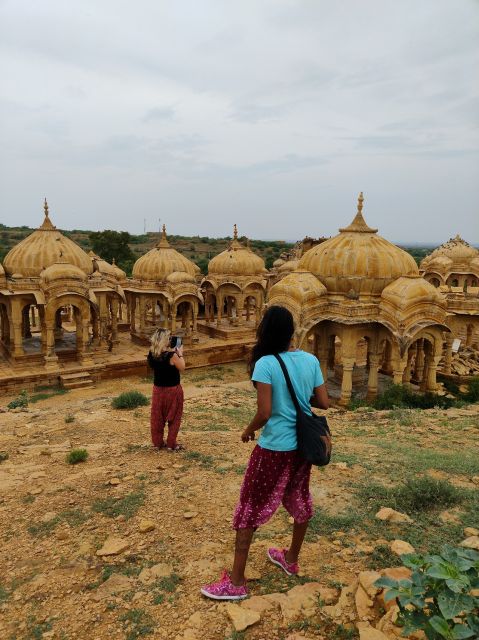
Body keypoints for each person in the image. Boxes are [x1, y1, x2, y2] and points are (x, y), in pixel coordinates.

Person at [201, 305, 329, 600]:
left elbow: (265, 412)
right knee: (299, 496)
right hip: (302, 448)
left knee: (250, 506)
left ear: (265, 331)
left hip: (274, 448)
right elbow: (323, 402)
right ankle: (291, 559)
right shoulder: (310, 360)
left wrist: (248, 430)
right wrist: (298, 392)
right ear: (291, 331)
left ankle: (235, 583)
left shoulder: (265, 364)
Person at [148, 328, 186, 452]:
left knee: (157, 417)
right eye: (169, 338)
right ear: (164, 340)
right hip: (173, 390)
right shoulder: (172, 356)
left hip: (158, 390)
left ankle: (157, 443)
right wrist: (180, 353)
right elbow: (182, 367)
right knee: (174, 417)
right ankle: (171, 443)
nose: (170, 340)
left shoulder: (152, 354)